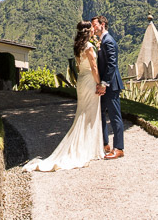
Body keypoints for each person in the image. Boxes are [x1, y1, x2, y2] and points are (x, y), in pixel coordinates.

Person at [23, 21, 105, 171]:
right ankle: (86, 149)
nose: (94, 30)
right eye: (92, 28)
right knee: (90, 115)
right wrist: (100, 84)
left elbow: (80, 67)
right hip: (90, 81)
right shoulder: (89, 47)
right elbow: (94, 67)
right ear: (88, 31)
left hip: (81, 80)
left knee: (83, 113)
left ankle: (86, 147)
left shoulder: (78, 47)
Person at [92, 15, 125, 159]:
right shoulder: (102, 41)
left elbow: (112, 65)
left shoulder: (108, 41)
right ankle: (105, 144)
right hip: (105, 85)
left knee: (115, 116)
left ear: (103, 24)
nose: (93, 28)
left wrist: (104, 84)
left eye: (95, 25)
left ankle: (119, 148)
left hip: (111, 85)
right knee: (101, 115)